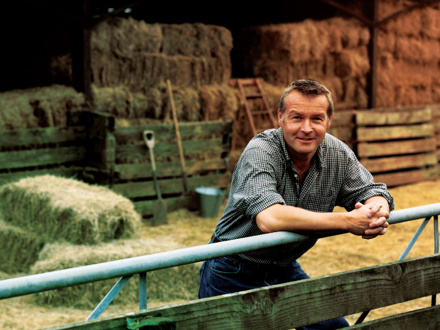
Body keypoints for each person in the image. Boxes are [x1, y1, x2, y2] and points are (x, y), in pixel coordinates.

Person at [198, 78, 394, 329]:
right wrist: (348, 221)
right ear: (280, 117)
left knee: (333, 327)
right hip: (233, 268)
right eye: (297, 117)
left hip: (284, 268)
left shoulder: (337, 152)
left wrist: (376, 211)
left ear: (329, 120)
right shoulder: (261, 151)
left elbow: (371, 190)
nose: (307, 128)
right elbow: (269, 218)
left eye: (316, 119)